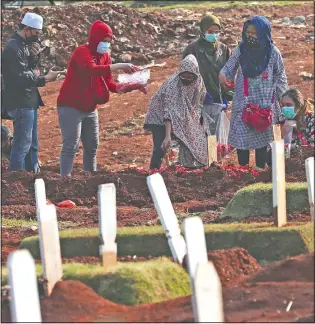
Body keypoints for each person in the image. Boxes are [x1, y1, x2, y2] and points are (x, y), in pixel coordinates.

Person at [57, 20, 146, 177]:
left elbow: (108, 81)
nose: (106, 45)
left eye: (108, 42)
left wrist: (130, 86)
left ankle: (89, 177)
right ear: (95, 38)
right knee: (71, 145)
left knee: (92, 145)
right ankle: (65, 180)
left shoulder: (105, 56)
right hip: (71, 106)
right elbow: (91, 70)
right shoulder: (81, 52)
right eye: (103, 41)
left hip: (90, 107)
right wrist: (119, 66)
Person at [219, 16, 288, 170]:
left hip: (264, 103)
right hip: (243, 103)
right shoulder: (242, 49)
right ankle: (243, 170)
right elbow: (229, 67)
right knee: (241, 138)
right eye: (248, 32)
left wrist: (284, 98)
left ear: (263, 34)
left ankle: (259, 169)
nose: (250, 36)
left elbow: (280, 76)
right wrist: (223, 75)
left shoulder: (273, 52)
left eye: (254, 33)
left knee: (262, 137)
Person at [2, 12, 63, 173]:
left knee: (32, 145)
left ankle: (31, 177)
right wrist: (45, 78)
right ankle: (16, 182)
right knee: (22, 145)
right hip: (20, 101)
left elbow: (29, 70)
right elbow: (20, 76)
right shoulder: (12, 48)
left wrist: (35, 58)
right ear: (27, 29)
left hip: (29, 101)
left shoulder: (23, 45)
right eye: (36, 33)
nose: (37, 37)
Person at [144, 54, 208, 169]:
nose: (187, 80)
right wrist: (167, 136)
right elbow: (168, 111)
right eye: (184, 76)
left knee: (188, 141)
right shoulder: (173, 85)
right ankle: (153, 171)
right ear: (180, 74)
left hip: (182, 113)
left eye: (190, 77)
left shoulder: (199, 83)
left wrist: (196, 124)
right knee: (161, 147)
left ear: (195, 75)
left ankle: (185, 168)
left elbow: (197, 105)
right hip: (158, 115)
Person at [183, 14, 233, 105]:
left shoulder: (224, 50)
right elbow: (185, 77)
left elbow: (230, 74)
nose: (214, 35)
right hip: (197, 101)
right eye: (210, 32)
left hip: (219, 100)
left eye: (216, 32)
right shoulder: (191, 50)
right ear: (203, 30)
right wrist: (199, 94)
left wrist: (228, 94)